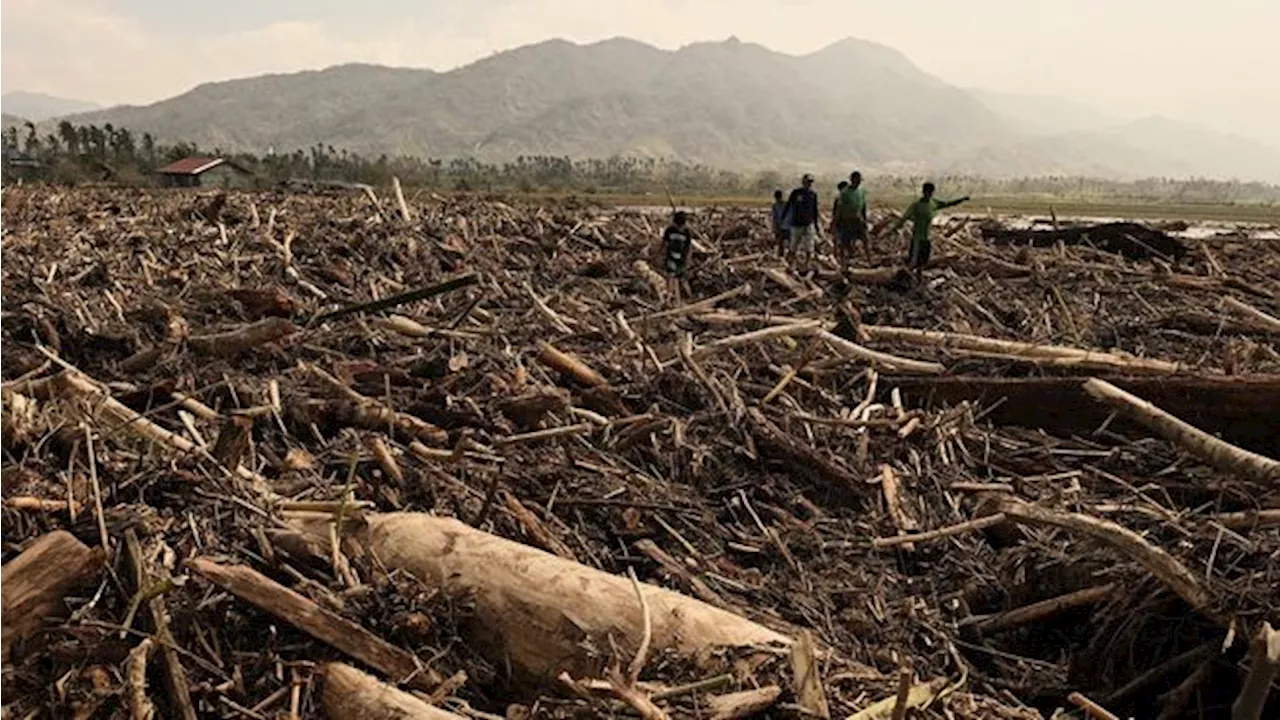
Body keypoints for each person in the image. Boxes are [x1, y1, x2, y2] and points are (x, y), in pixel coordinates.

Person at [891, 182, 969, 284]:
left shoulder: (933, 203)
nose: (928, 194)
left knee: (922, 262)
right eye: (926, 192)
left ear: (932, 193)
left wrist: (961, 200)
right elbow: (904, 217)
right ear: (923, 192)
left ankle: (918, 281)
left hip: (926, 239)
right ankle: (900, 280)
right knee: (913, 262)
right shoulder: (916, 205)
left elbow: (947, 203)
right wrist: (895, 228)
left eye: (930, 192)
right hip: (917, 239)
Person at [782, 173, 821, 277]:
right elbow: (788, 205)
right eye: (807, 182)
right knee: (793, 246)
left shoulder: (813, 194)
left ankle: (806, 266)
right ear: (803, 182)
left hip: (808, 224)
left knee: (809, 247)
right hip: (796, 224)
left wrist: (816, 225)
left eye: (810, 182)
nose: (809, 184)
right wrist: (783, 219)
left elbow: (815, 210)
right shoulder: (796, 193)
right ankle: (789, 265)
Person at [834, 171, 870, 269]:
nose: (858, 182)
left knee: (865, 239)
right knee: (846, 242)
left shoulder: (862, 191)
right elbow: (839, 209)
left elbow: (863, 206)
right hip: (847, 220)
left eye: (859, 180)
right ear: (852, 180)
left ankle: (869, 260)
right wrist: (835, 223)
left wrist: (865, 219)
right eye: (857, 180)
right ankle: (843, 264)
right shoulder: (845, 192)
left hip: (859, 219)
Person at [661, 210, 694, 304]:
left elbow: (689, 247)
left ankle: (689, 297)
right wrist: (660, 254)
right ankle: (670, 297)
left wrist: (688, 259)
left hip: (682, 258)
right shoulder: (670, 230)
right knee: (670, 276)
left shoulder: (687, 232)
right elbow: (664, 243)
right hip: (671, 257)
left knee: (681, 278)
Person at [770, 189, 789, 258]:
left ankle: (782, 256)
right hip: (785, 226)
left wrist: (774, 228)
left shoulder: (776, 205)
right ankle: (783, 256)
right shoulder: (785, 204)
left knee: (781, 241)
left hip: (782, 226)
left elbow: (774, 218)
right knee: (784, 241)